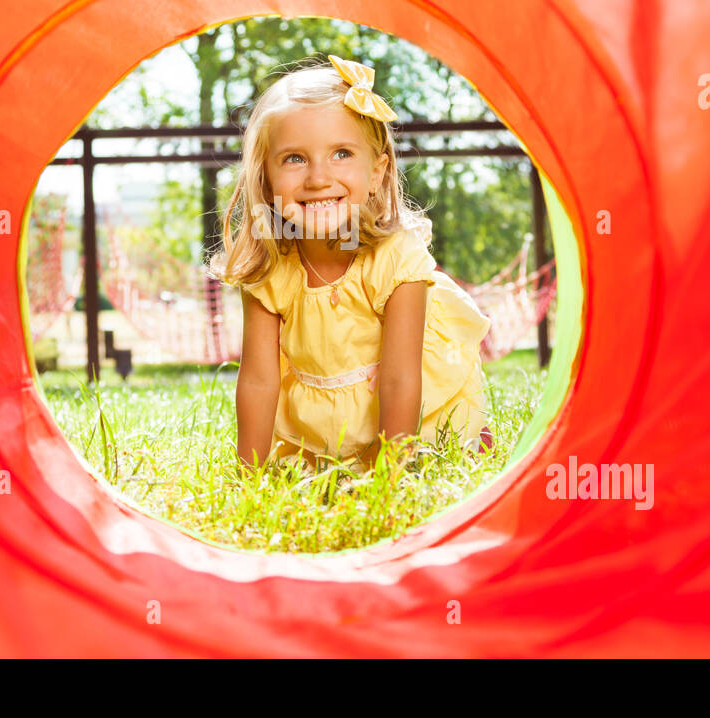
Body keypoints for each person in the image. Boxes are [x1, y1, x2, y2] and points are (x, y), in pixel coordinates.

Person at [207, 54, 496, 473]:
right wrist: (248, 472)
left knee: (436, 455)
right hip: (322, 429)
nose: (319, 178)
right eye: (294, 158)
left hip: (405, 422)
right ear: (266, 180)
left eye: (341, 153)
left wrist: (389, 474)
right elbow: (257, 381)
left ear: (377, 172)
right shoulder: (271, 270)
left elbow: (400, 380)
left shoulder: (397, 260)